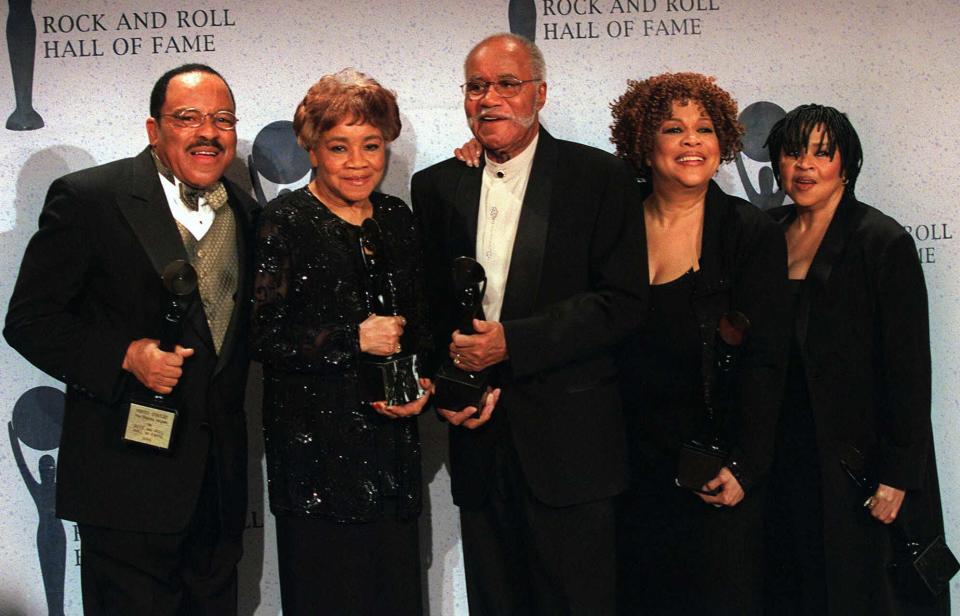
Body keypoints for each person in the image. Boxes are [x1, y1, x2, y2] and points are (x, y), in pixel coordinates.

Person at [4, 63, 256, 614]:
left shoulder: (247, 211)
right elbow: (29, 320)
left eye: (222, 119)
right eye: (187, 118)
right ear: (153, 129)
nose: (207, 132)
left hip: (217, 492)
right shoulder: (91, 198)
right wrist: (125, 355)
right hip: (125, 485)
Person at [412, 33, 646, 615]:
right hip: (479, 443)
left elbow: (621, 302)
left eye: (507, 84)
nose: (490, 98)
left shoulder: (599, 177)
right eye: (476, 86)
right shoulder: (438, 185)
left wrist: (513, 342)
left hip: (571, 448)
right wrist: (446, 383)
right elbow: (431, 311)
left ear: (540, 93)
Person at [250, 69, 432, 616]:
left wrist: (421, 382)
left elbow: (416, 325)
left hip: (393, 453)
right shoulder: (282, 223)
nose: (358, 162)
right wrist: (353, 339)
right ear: (311, 148)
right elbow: (263, 338)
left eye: (371, 145)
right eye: (339, 147)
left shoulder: (397, 218)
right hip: (317, 461)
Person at [608, 72, 789, 615]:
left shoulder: (747, 233)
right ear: (644, 142)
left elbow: (767, 360)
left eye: (705, 128)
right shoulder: (610, 223)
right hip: (627, 473)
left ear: (724, 142)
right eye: (673, 128)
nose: (692, 141)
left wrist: (746, 466)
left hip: (714, 469)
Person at [764, 104, 948, 615]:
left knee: (861, 594)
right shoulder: (765, 233)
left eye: (822, 154)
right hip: (787, 453)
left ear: (847, 165)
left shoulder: (879, 240)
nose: (805, 166)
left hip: (860, 465)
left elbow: (910, 370)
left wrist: (898, 475)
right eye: (793, 153)